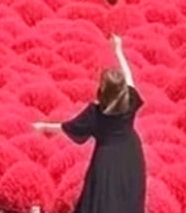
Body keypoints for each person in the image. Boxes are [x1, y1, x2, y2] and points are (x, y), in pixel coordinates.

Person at [33, 34, 146, 213]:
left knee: (101, 201)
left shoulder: (96, 113)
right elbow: (128, 74)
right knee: (127, 197)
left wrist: (42, 127)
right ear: (122, 89)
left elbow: (66, 128)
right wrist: (118, 50)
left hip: (106, 161)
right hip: (130, 154)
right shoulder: (130, 99)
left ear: (103, 90)